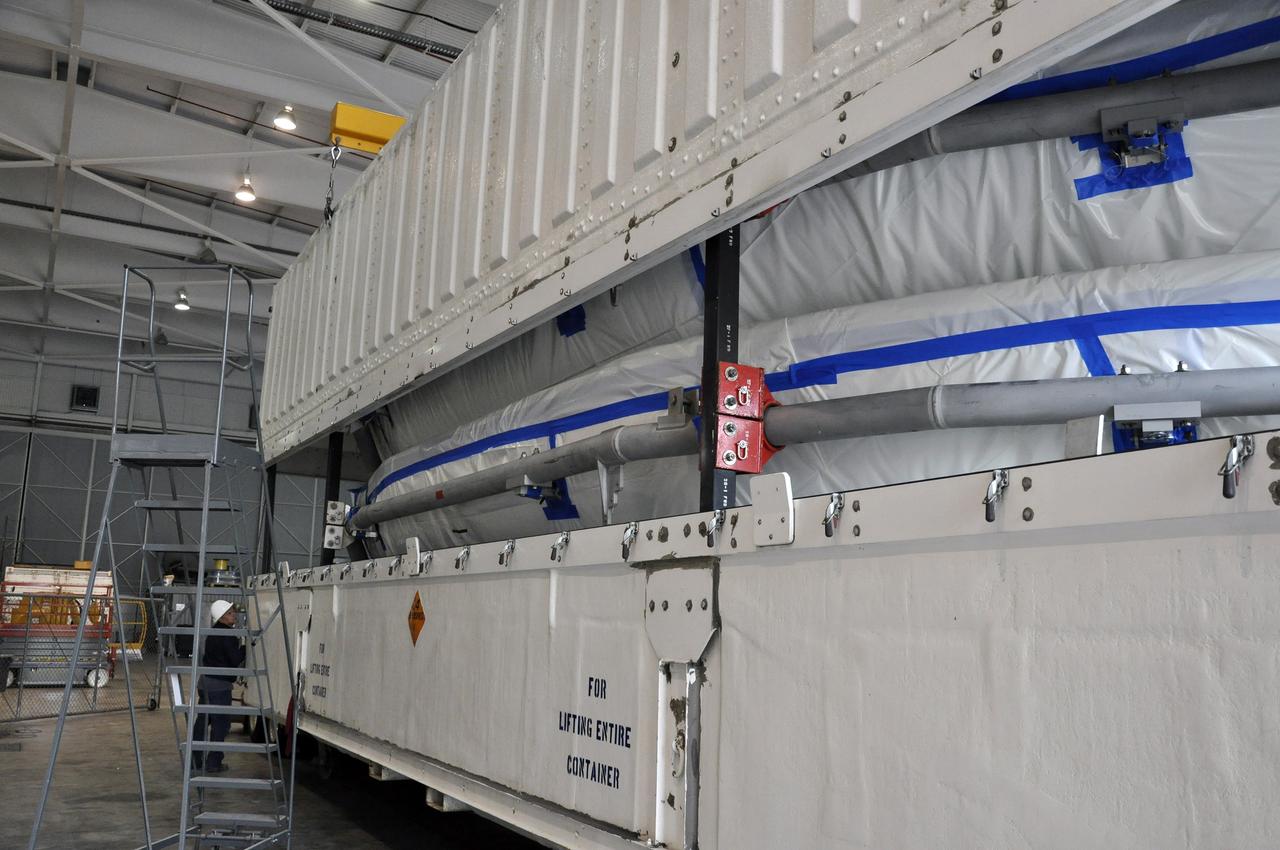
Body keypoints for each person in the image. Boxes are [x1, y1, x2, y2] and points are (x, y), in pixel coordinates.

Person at [190, 599, 244, 773]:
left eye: (233, 611)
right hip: (220, 685)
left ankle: (195, 760)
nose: (233, 615)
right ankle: (213, 762)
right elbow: (234, 659)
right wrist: (245, 648)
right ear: (220, 617)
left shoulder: (212, 633)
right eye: (229, 613)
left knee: (203, 722)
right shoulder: (227, 635)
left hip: (205, 683)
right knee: (220, 724)